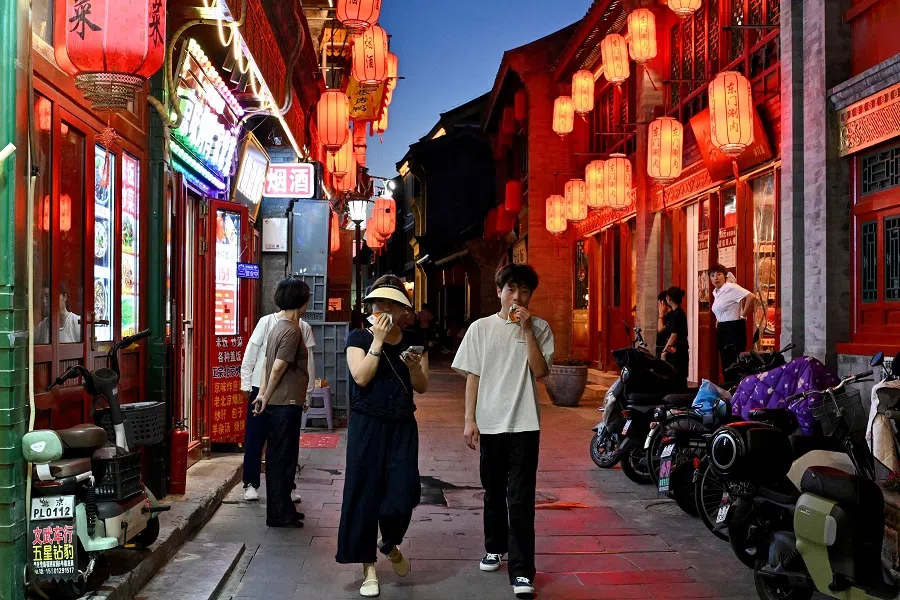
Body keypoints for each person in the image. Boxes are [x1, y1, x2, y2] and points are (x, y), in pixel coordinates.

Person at [452, 263, 554, 600]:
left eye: (524, 292)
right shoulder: (480, 328)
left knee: (521, 498)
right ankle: (494, 546)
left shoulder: (539, 328)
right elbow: (473, 376)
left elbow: (540, 372)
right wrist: (469, 419)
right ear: (499, 291)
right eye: (511, 289)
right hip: (490, 421)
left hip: (525, 423)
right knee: (493, 490)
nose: (518, 297)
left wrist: (526, 331)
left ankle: (523, 572)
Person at [336, 275, 429, 598]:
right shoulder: (357, 338)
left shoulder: (413, 340)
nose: (384, 310)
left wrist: (414, 366)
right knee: (364, 493)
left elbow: (422, 385)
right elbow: (361, 377)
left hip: (403, 424)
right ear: (370, 308)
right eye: (379, 304)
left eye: (392, 304)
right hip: (367, 425)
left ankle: (389, 542)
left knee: (404, 494)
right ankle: (368, 567)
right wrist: (377, 341)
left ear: (403, 310)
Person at [239, 294, 317, 502]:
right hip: (260, 387)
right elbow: (252, 353)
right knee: (255, 437)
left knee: (287, 443)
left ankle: (287, 487)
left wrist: (307, 393)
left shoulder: (304, 327)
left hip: (288, 394)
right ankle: (250, 483)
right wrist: (246, 383)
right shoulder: (266, 322)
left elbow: (308, 362)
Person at [251, 278, 311, 528]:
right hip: (287, 403)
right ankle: (279, 513)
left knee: (279, 458)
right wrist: (265, 394)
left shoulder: (276, 327)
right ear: (302, 301)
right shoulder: (291, 330)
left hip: (279, 402)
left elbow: (266, 365)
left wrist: (263, 394)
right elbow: (277, 368)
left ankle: (283, 508)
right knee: (282, 460)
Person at [708, 264, 755, 373]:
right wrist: (718, 321)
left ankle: (736, 388)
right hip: (723, 328)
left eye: (719, 274)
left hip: (733, 328)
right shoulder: (716, 292)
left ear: (725, 276)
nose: (716, 278)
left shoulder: (730, 287)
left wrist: (743, 315)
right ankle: (729, 388)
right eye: (712, 275)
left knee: (734, 364)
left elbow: (751, 297)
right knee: (726, 363)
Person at [660, 286, 689, 382]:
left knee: (676, 377)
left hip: (677, 351)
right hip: (680, 349)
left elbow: (674, 335)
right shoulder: (678, 312)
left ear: (668, 298)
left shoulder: (675, 314)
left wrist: (664, 352)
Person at [655, 290, 671, 356]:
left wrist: (661, 315)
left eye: (659, 304)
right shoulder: (666, 316)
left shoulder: (671, 316)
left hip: (667, 352)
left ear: (663, 303)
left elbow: (660, 331)